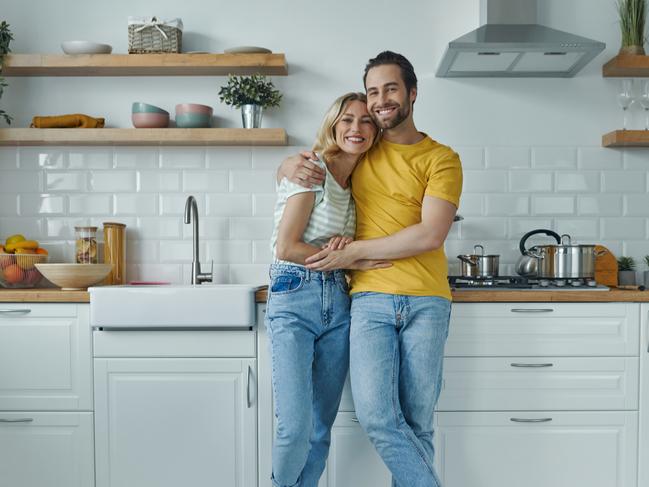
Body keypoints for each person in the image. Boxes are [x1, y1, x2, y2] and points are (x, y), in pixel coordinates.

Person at [278, 51, 463, 487]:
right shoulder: (362, 147)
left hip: (428, 300)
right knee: (379, 417)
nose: (380, 101)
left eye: (391, 89)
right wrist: (285, 166)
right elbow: (311, 168)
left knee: (417, 424)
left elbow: (429, 235)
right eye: (373, 91)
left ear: (412, 93)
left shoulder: (441, 158)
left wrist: (354, 252)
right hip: (370, 300)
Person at [265, 92, 388, 487]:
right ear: (333, 125)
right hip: (294, 294)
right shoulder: (312, 170)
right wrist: (349, 258)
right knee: (295, 428)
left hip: (338, 300)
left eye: (367, 121)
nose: (357, 128)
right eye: (348, 120)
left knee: (320, 429)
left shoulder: (358, 181)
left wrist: (345, 255)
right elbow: (287, 247)